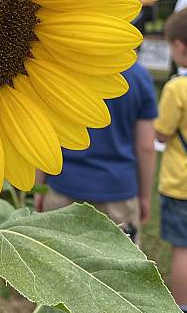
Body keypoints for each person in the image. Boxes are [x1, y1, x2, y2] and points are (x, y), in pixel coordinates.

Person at [37, 61, 158, 246]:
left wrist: (39, 189)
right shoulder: (139, 77)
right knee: (118, 266)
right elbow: (146, 147)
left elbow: (44, 133)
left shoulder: (64, 68)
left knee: (58, 263)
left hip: (64, 185)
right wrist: (145, 197)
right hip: (118, 192)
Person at [154, 4, 187, 313]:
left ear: (179, 46)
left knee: (183, 250)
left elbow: (162, 133)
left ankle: (183, 308)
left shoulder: (179, 87)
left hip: (183, 183)